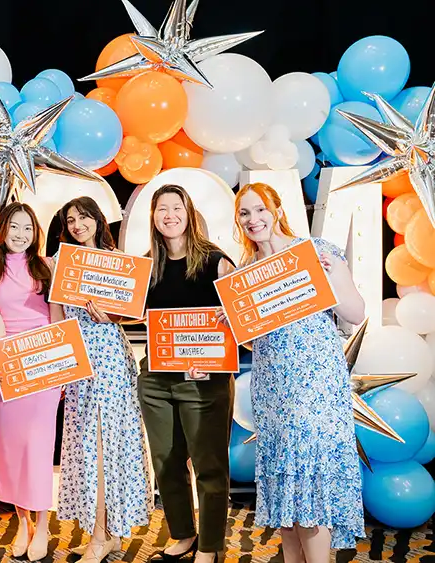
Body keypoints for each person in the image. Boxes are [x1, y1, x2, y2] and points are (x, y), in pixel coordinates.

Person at [234, 183, 365, 563]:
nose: (254, 219)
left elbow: (356, 313)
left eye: (260, 209)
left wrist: (327, 280)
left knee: (310, 483)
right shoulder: (247, 273)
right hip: (272, 388)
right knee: (284, 491)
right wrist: (235, 322)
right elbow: (254, 341)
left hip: (315, 385)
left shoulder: (316, 252)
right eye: (244, 213)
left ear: (277, 209)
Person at [51, 196, 152, 563]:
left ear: (97, 219)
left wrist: (112, 316)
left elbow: (139, 311)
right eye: (71, 220)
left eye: (83, 217)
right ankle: (105, 533)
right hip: (79, 363)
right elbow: (57, 316)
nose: (78, 225)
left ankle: (102, 535)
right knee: (85, 447)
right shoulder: (63, 262)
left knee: (106, 446)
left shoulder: (118, 261)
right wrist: (61, 363)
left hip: (110, 360)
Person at [137, 185, 236, 563]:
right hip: (157, 380)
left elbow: (241, 319)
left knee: (209, 466)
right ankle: (183, 534)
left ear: (189, 213)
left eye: (176, 207)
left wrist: (210, 355)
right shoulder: (146, 266)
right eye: (162, 209)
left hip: (204, 382)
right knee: (166, 463)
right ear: (153, 217)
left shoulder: (216, 262)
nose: (170, 215)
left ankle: (210, 545)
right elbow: (132, 314)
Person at [0, 202, 57, 561]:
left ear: (35, 233)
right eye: (14, 227)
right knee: (12, 450)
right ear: (1, 231)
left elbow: (57, 319)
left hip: (44, 366)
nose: (21, 235)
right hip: (9, 368)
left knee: (38, 448)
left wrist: (61, 368)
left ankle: (43, 525)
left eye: (27, 228)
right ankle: (23, 523)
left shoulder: (47, 266)